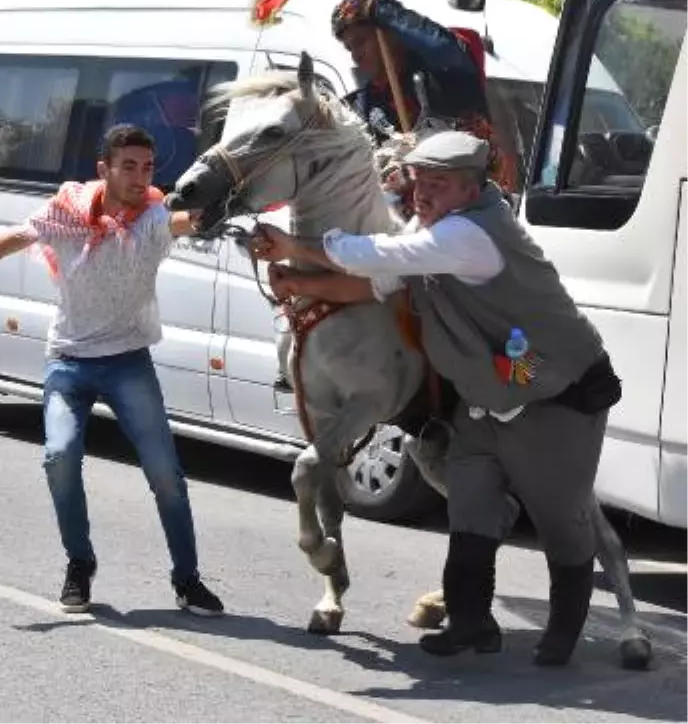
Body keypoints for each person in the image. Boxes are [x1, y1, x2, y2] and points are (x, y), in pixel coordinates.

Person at [249, 129, 620, 666]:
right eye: (417, 181)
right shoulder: (436, 230)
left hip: (553, 392)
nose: (420, 194)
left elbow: (372, 255)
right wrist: (295, 284)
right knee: (468, 506)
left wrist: (295, 246)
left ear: (472, 190)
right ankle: (470, 624)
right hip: (485, 399)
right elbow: (371, 286)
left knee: (561, 518)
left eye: (438, 184)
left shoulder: (470, 235)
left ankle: (562, 630)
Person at [0, 125, 225, 617]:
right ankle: (79, 565)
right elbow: (1, 243)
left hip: (128, 360)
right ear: (103, 170)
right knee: (59, 456)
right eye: (128, 166)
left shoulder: (152, 217)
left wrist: (237, 199)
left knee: (165, 474)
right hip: (68, 360)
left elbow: (190, 219)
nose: (138, 177)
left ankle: (187, 580)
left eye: (147, 168)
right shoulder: (65, 214)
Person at [331, 0, 517, 201]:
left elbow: (443, 49)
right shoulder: (362, 106)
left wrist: (383, 10)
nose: (355, 55)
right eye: (349, 48)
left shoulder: (444, 76)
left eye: (361, 41)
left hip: (469, 216)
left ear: (390, 34)